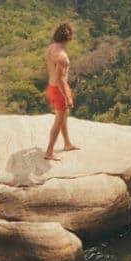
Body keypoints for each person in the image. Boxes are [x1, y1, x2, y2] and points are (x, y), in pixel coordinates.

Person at [44, 22, 79, 161]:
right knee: (58, 120)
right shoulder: (62, 57)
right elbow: (61, 79)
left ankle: (67, 143)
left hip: (51, 87)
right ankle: (49, 152)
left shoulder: (50, 48)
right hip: (59, 90)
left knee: (63, 115)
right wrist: (68, 97)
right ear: (68, 37)